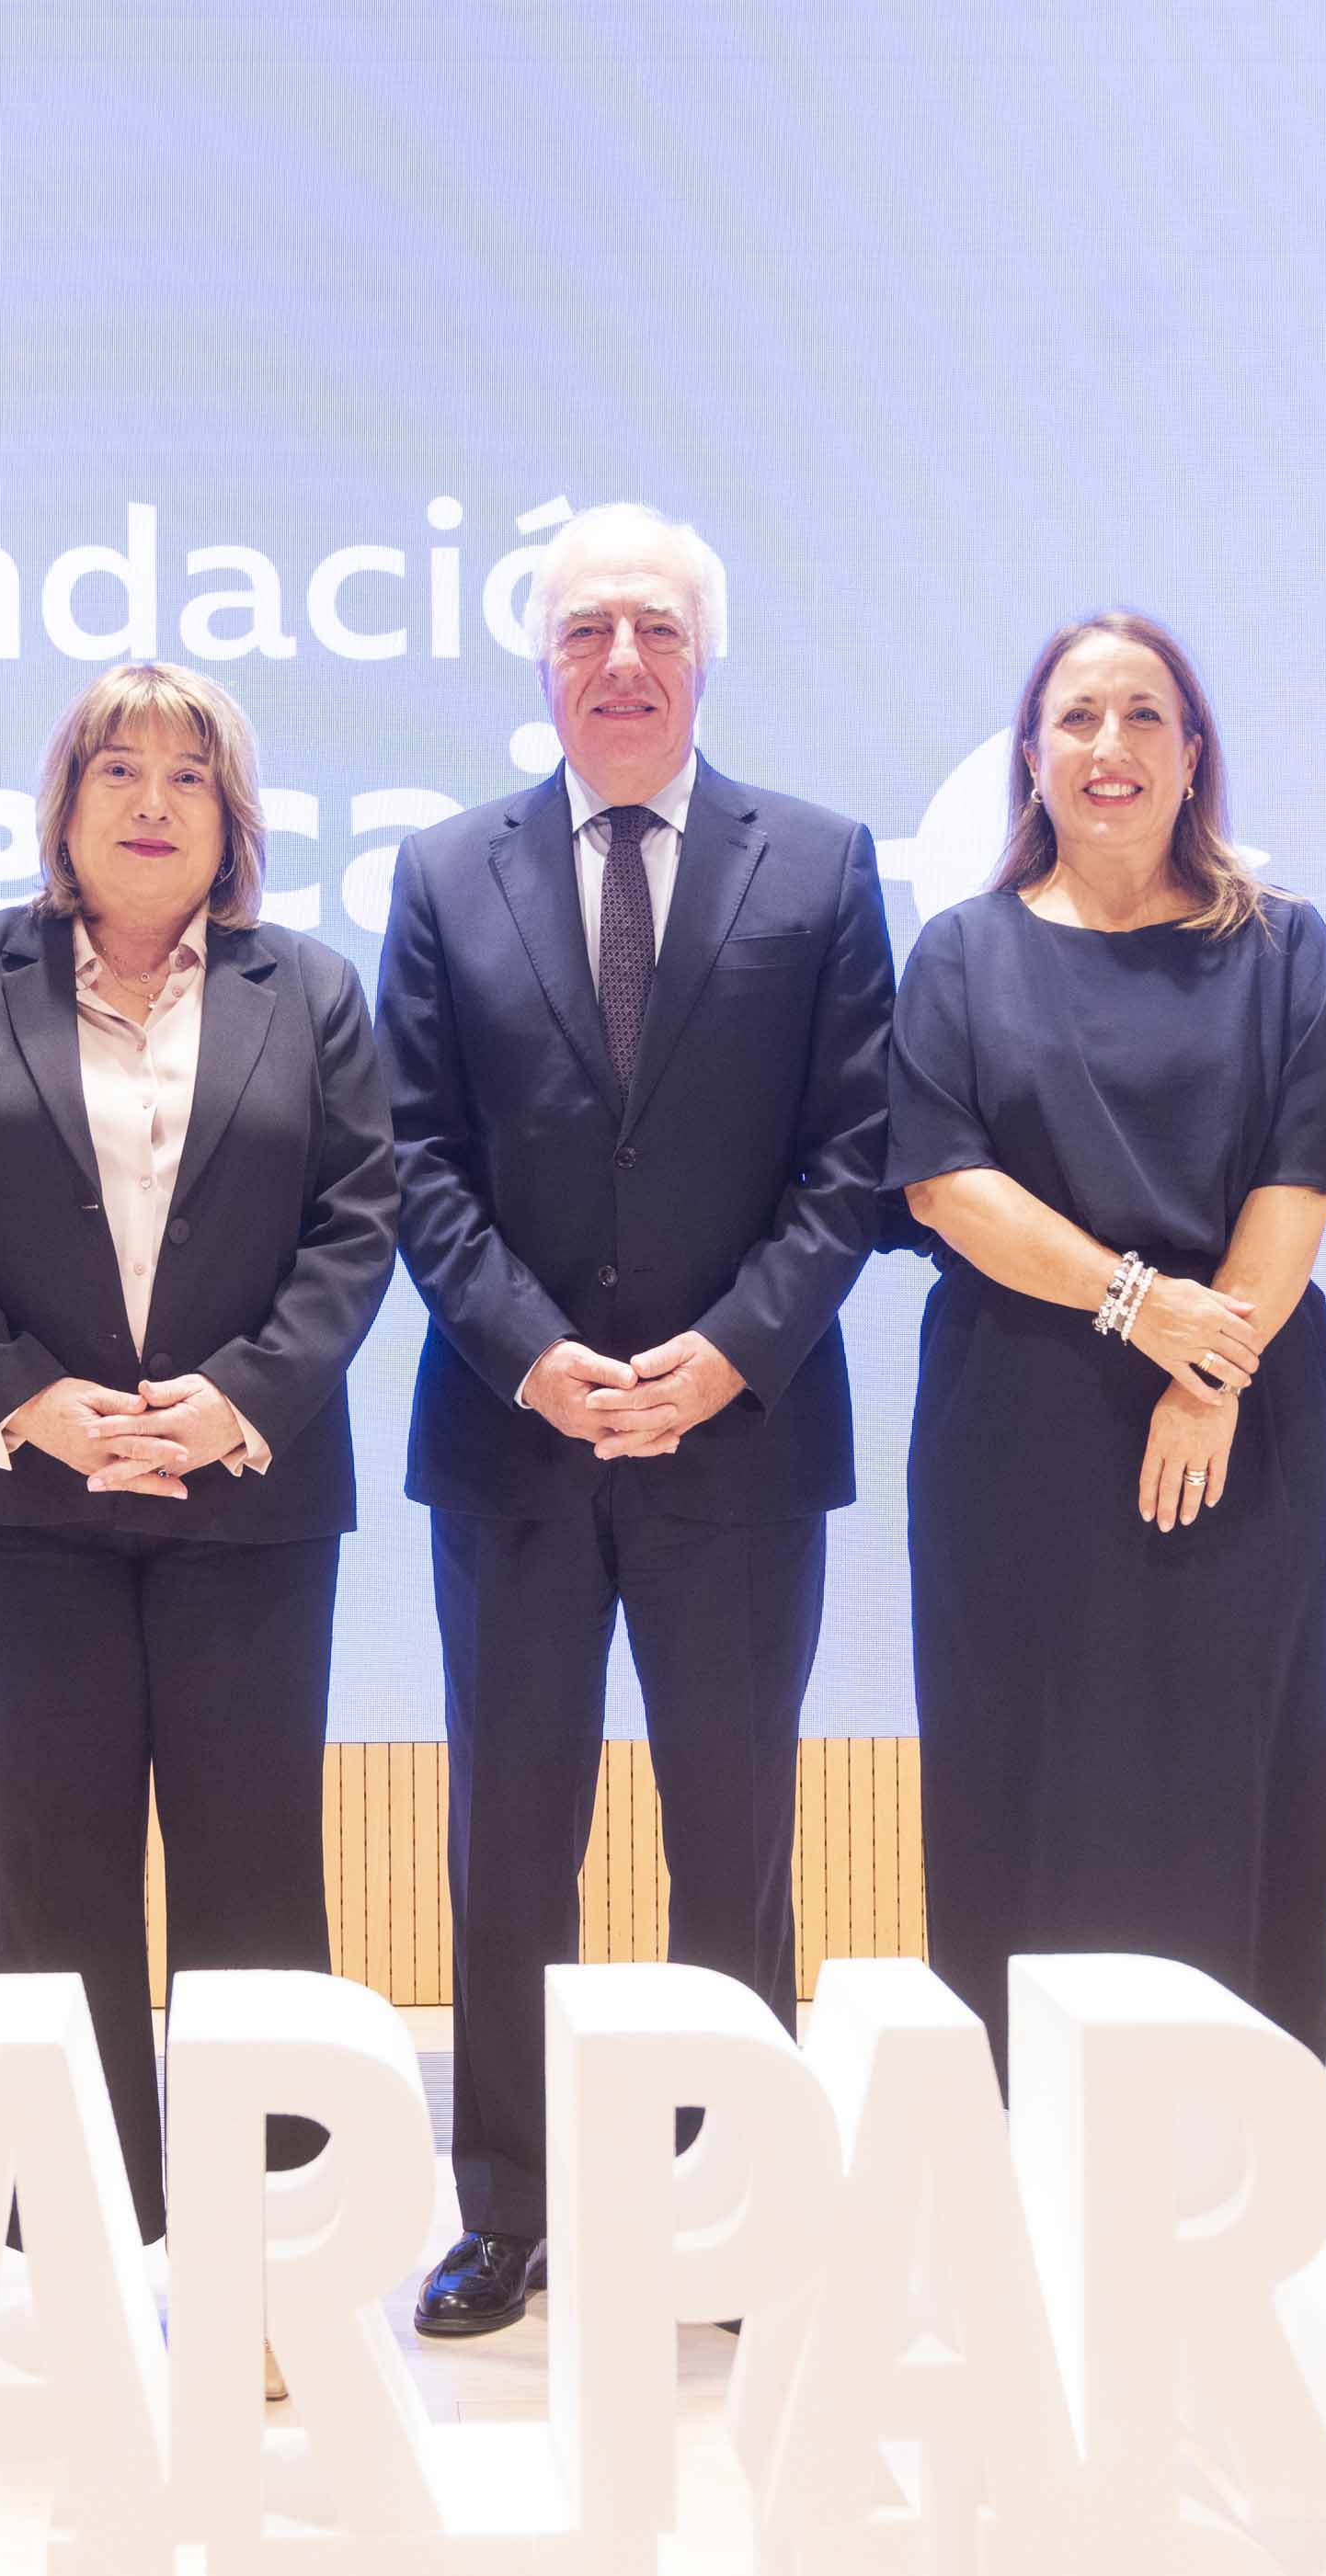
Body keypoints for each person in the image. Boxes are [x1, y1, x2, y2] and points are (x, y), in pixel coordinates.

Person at [378, 502, 894, 2339]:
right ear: (541, 663)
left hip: (740, 1442)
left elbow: (857, 1151)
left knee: (729, 1840)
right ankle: (506, 2210)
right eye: (587, 630)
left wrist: (732, 1351)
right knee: (511, 1842)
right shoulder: (444, 873)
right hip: (511, 1438)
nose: (621, 661)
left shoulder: (819, 865)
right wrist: (529, 1352)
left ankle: (722, 2200)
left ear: (705, 657)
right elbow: (414, 1157)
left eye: (656, 630)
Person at [0, 664, 394, 2301]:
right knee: (58, 1871)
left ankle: (269, 2264)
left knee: (257, 1873)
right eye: (118, 769)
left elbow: (357, 1223)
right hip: (27, 1504)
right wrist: (28, 1398)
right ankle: (83, 2260)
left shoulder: (313, 990)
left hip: (250, 1499)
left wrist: (240, 1400)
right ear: (64, 803)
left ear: (234, 819)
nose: (153, 801)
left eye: (189, 775)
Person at [891, 614, 1326, 2057]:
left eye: (1143, 716)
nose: (1109, 747)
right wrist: (1138, 1304)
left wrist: (1207, 1372)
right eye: (1077, 717)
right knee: (1023, 1773)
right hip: (1017, 1431)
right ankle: (1022, 2128)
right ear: (1031, 754)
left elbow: (1304, 1179)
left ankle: (1242, 2136)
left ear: (1192, 753)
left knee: (1229, 1767)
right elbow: (946, 1184)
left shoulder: (1284, 946)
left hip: (1239, 1422)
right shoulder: (960, 952)